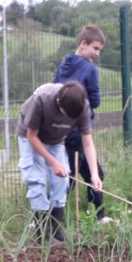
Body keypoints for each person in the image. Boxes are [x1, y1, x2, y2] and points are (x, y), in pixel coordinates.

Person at [16, 80, 102, 244]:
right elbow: (32, 136)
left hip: (56, 140)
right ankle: (42, 234)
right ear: (58, 102)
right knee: (37, 180)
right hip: (30, 137)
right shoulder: (42, 99)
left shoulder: (82, 107)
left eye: (71, 117)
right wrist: (53, 162)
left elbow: (88, 142)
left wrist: (94, 175)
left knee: (63, 180)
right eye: (64, 113)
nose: (66, 118)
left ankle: (56, 229)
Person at [54, 24, 112, 224]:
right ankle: (97, 217)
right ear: (83, 44)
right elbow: (95, 101)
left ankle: (55, 218)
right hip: (79, 130)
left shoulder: (63, 65)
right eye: (95, 48)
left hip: (61, 129)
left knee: (73, 175)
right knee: (83, 176)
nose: (97, 53)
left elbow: (56, 93)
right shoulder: (90, 69)